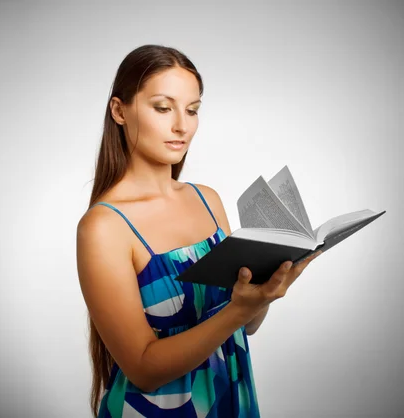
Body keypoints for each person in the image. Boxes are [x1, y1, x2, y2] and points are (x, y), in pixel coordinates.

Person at [76, 44, 321, 418]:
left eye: (192, 110)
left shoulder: (208, 200)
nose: (182, 125)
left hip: (230, 403)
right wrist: (239, 312)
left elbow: (246, 324)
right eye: (163, 107)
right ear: (119, 111)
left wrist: (267, 290)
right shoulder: (104, 227)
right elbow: (143, 370)